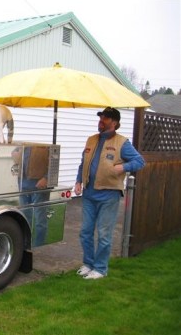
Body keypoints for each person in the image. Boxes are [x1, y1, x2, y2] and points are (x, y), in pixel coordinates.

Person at [74, 107, 145, 279]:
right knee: (85, 232)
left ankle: (100, 269)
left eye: (105, 118)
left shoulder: (122, 143)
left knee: (104, 234)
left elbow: (140, 161)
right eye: (101, 117)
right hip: (89, 194)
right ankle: (89, 264)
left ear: (114, 123)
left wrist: (123, 167)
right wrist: (78, 181)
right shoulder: (91, 140)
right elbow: (83, 163)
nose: (101, 120)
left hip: (109, 195)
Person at [12, 144, 50, 246]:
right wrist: (15, 154)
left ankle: (39, 245)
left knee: (40, 220)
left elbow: (54, 161)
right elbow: (14, 153)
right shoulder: (24, 143)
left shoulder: (45, 143)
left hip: (39, 187)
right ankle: (26, 244)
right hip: (23, 185)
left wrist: (46, 178)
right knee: (24, 217)